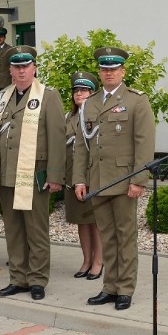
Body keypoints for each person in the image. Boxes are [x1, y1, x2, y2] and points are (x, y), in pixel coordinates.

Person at [73, 47, 156, 311]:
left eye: (114, 69)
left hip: (123, 181)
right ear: (99, 72)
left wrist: (139, 179)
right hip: (97, 181)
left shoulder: (136, 100)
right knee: (107, 237)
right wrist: (79, 179)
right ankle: (109, 287)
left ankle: (125, 288)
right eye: (105, 69)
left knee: (125, 237)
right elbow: (81, 144)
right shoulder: (90, 102)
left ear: (123, 71)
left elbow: (144, 143)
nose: (109, 73)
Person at [0, 45, 66, 301]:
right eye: (17, 66)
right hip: (9, 175)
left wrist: (56, 175)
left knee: (36, 229)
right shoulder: (4, 97)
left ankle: (37, 279)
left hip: (34, 174)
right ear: (10, 70)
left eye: (26, 66)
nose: (21, 71)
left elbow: (58, 138)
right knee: (13, 230)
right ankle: (18, 278)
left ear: (34, 68)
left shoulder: (49, 96)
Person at [65, 72, 103, 280]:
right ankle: (86, 260)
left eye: (84, 90)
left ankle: (98, 261)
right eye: (76, 90)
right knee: (81, 221)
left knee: (96, 221)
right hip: (73, 177)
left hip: (93, 177)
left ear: (92, 93)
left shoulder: (97, 114)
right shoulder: (68, 117)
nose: (79, 94)